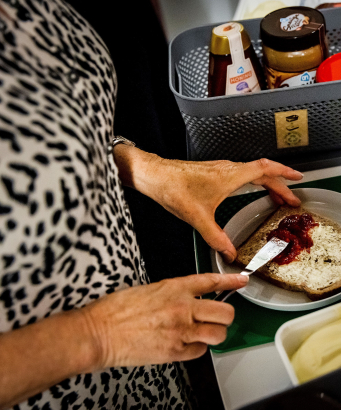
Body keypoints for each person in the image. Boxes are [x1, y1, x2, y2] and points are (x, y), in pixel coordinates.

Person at [0, 1, 303, 409]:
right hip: (59, 384)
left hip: (139, 329)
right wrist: (98, 335)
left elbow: (51, 132)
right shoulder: (101, 336)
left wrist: (145, 167)